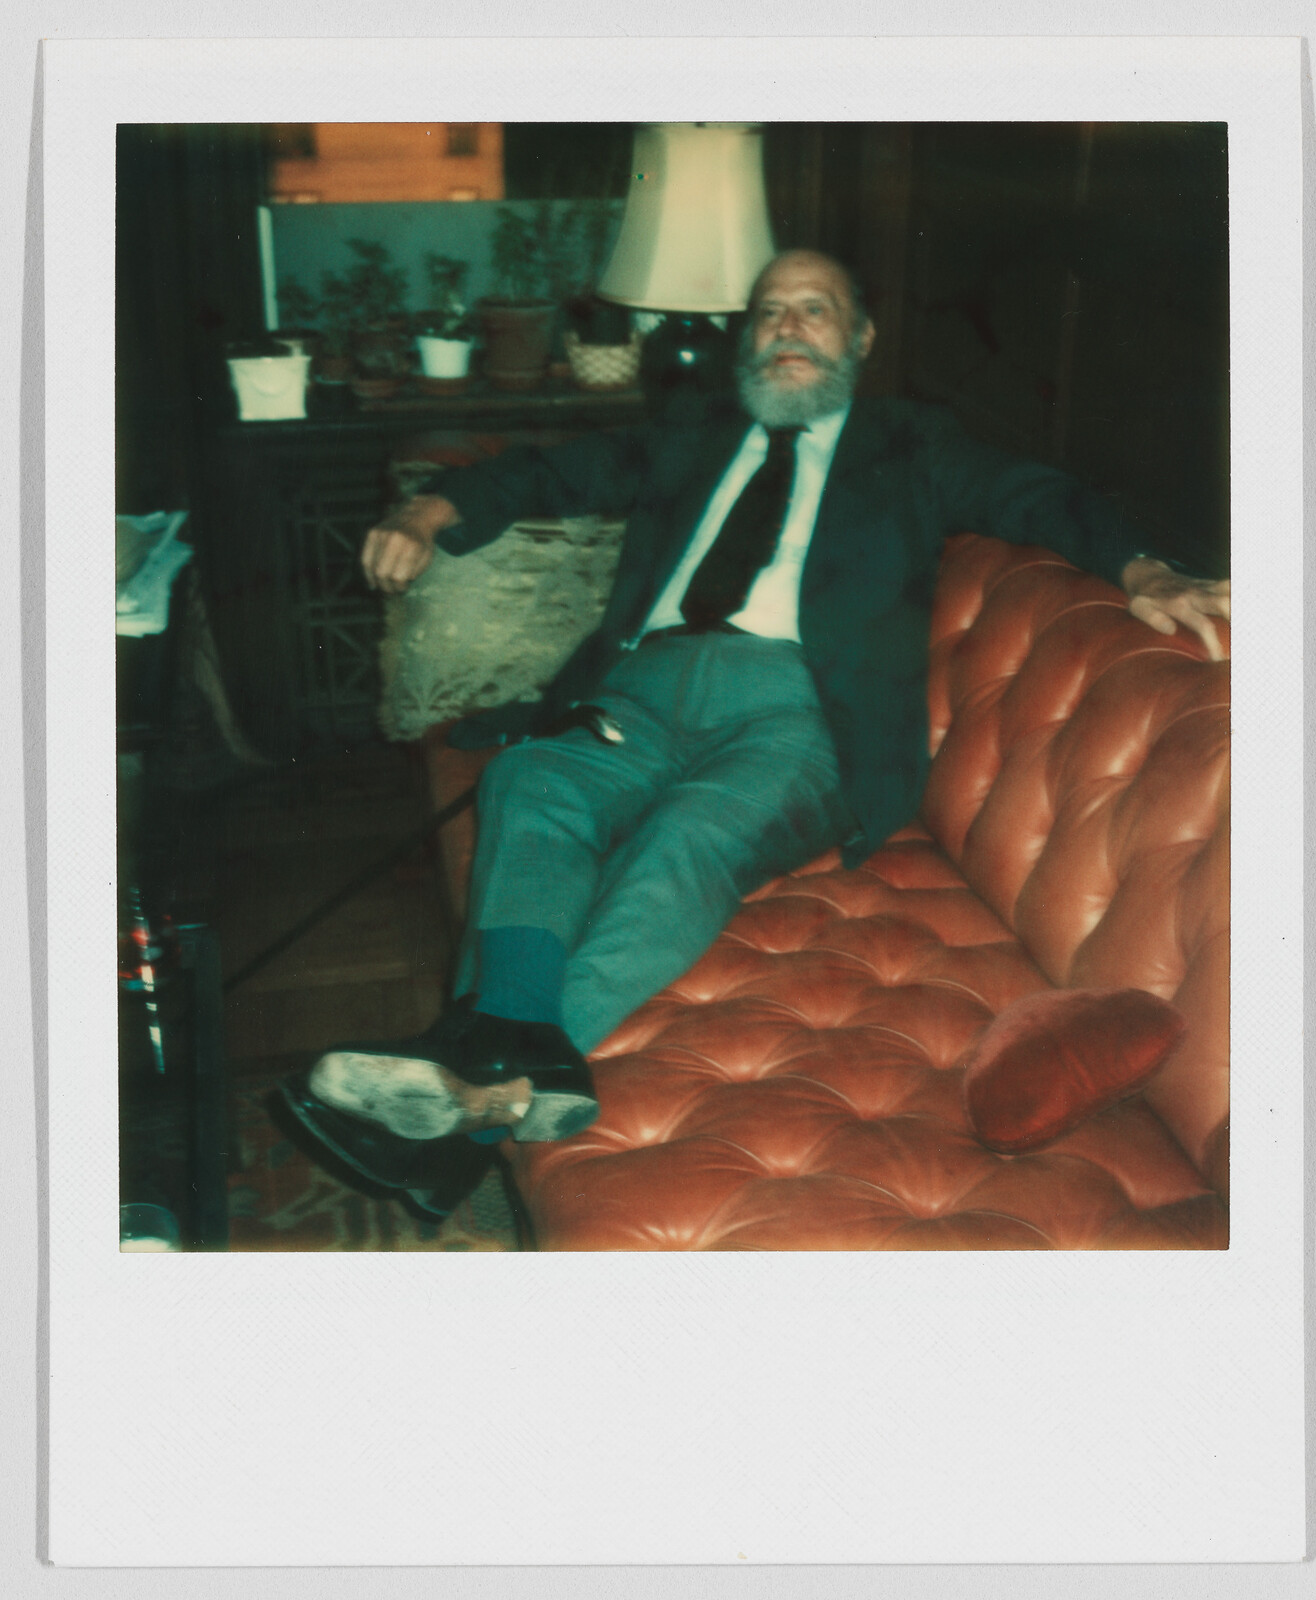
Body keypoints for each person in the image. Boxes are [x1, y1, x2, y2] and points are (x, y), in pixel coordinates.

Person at [279, 249, 1231, 1219]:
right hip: (640, 693)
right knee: (530, 780)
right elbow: (556, 469)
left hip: (799, 712)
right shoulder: (693, 433)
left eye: (812, 311)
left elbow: (1039, 493)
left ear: (857, 340)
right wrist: (431, 504)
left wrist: (1143, 570)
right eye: (768, 312)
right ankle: (483, 1093)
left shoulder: (910, 442)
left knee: (683, 840)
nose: (785, 328)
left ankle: (469, 1092)